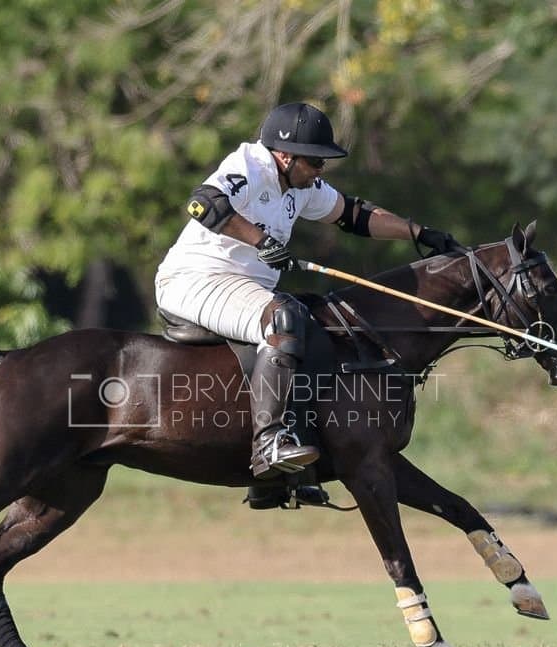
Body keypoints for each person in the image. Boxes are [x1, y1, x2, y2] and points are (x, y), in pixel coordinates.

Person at [155, 102, 461, 480]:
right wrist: (262, 240)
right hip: (195, 280)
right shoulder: (249, 165)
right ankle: (268, 444)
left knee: (317, 327)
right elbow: (202, 203)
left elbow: (354, 214)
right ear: (284, 156)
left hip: (242, 286)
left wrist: (420, 233)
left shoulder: (303, 187)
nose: (320, 170)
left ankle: (280, 478)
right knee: (283, 319)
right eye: (315, 162)